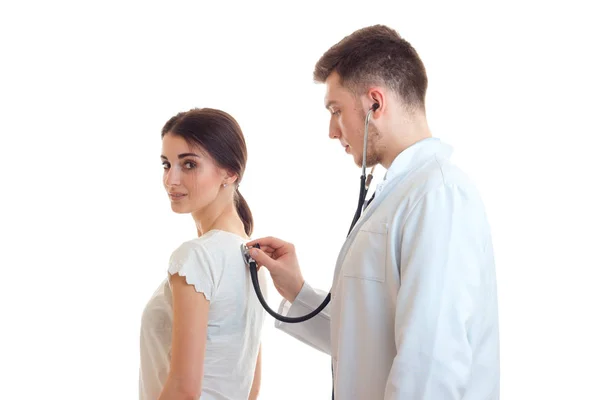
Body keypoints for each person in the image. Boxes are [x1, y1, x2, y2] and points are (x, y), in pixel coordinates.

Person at [247, 25, 500, 399]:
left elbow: (429, 363)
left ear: (374, 104)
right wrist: (297, 291)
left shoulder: (438, 193)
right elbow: (367, 340)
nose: (332, 131)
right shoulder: (404, 193)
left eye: (336, 110)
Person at [139, 108, 267, 400]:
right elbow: (251, 387)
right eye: (166, 164)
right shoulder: (253, 259)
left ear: (230, 172)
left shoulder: (197, 257)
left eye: (189, 165)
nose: (171, 179)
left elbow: (184, 390)